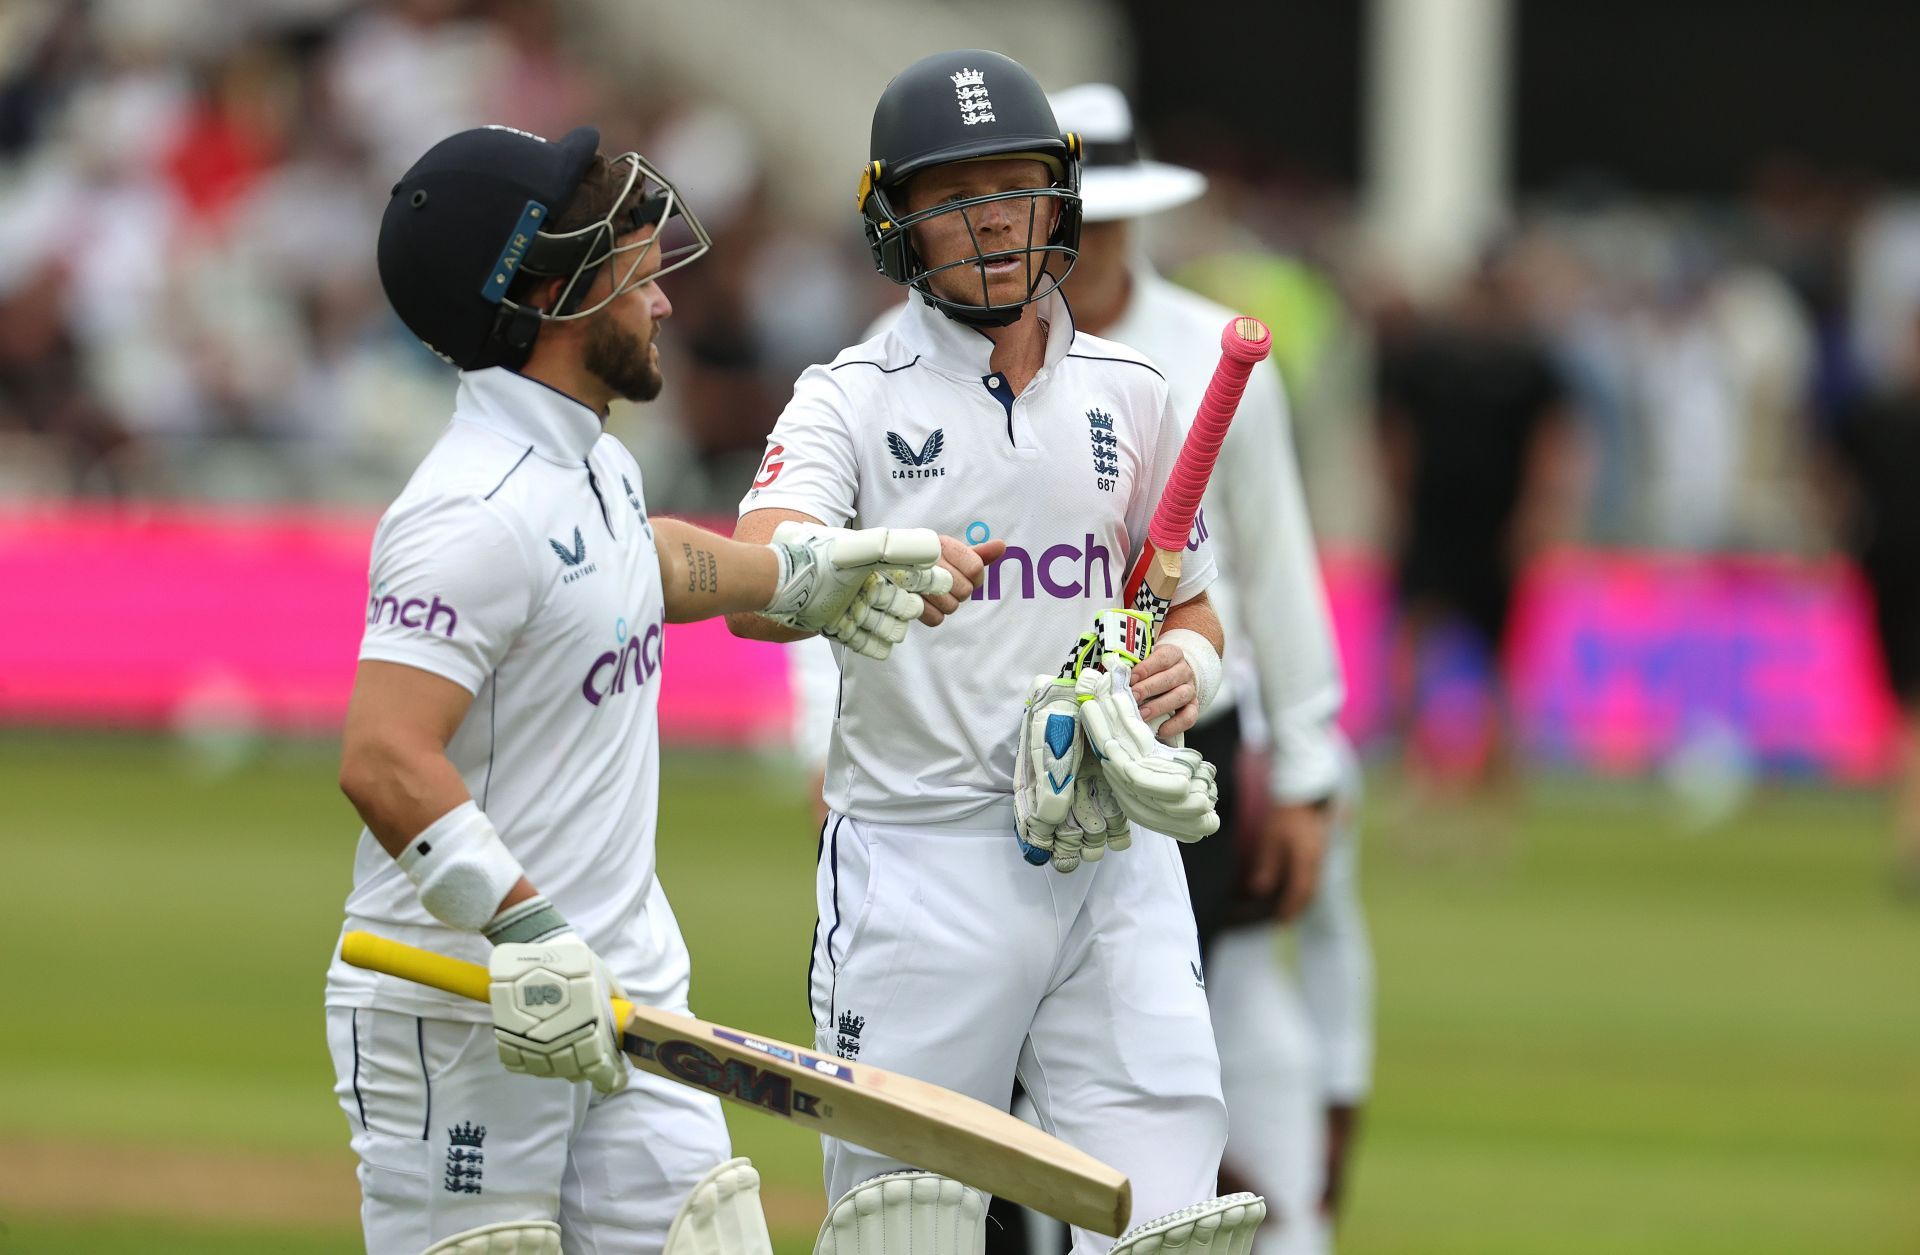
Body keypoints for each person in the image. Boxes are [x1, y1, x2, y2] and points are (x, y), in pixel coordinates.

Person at [323, 122, 975, 1255]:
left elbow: (643, 559)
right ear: (550, 289)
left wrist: (804, 571)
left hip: (630, 998)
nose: (663, 299)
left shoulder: (597, 464)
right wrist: (524, 928)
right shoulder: (468, 513)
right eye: (633, 271)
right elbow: (383, 756)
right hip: (465, 1007)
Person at [731, 50, 1258, 1255]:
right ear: (896, 220)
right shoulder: (849, 396)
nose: (992, 225)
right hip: (921, 864)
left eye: (1015, 190)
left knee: (1168, 1222)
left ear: (1058, 201)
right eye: (953, 199)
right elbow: (763, 567)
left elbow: (1189, 601)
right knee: (902, 1227)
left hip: (1111, 861)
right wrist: (850, 566)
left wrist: (1198, 670)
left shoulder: (1133, 390)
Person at [1002, 83, 1374, 1255]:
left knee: (1234, 1020)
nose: (1093, 240)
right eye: (1074, 214)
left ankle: (1290, 1224)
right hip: (1021, 741)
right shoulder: (970, 358)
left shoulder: (1209, 350)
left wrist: (1309, 770)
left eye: (1111, 215)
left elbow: (1275, 569)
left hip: (1195, 737)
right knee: (1025, 1052)